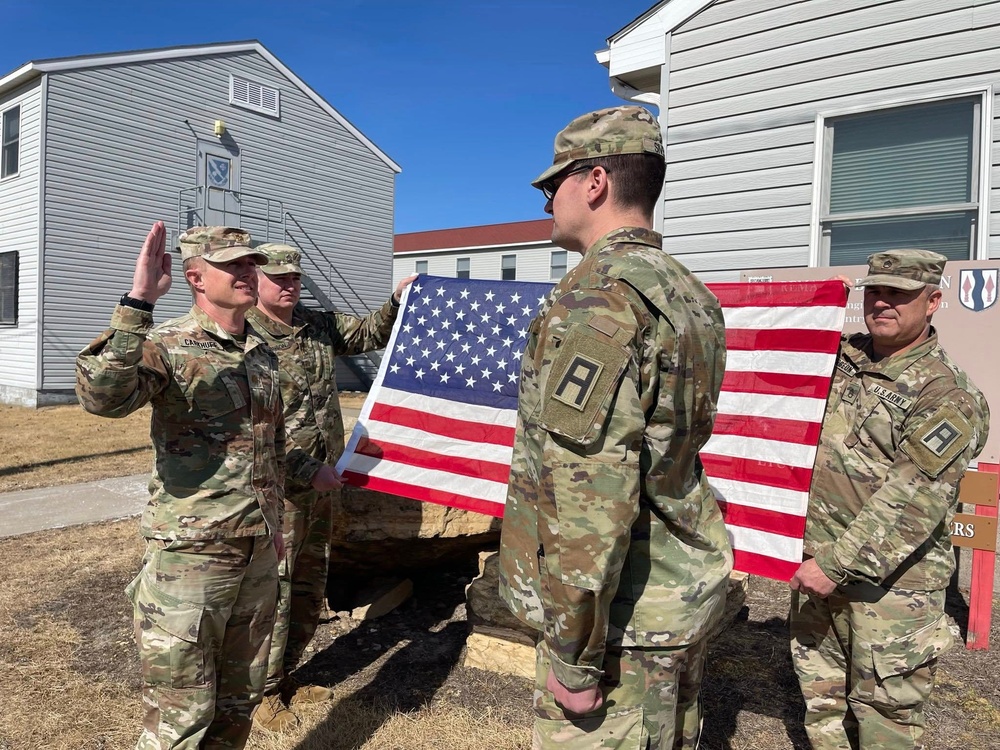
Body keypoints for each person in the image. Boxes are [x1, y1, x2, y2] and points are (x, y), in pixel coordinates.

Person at [498, 106, 733, 749]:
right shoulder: (688, 291)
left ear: (595, 181)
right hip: (674, 595)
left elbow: (588, 496)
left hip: (621, 625)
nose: (547, 202)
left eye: (555, 185)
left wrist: (574, 655)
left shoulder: (598, 297)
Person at [76, 223, 285, 750]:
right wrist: (138, 302)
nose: (247, 271)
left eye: (250, 262)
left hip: (258, 548)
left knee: (239, 702)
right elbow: (102, 398)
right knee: (181, 715)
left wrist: (275, 523)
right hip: (193, 553)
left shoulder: (261, 350)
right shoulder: (166, 345)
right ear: (195, 277)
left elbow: (267, 445)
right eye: (232, 264)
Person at [789, 249, 990, 749]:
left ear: (933, 301)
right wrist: (809, 303)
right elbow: (775, 360)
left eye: (898, 294)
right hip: (819, 565)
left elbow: (912, 500)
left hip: (891, 589)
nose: (882, 303)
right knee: (823, 700)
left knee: (885, 716)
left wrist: (835, 565)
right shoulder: (843, 358)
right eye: (874, 291)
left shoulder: (947, 395)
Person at [245, 243, 415, 731]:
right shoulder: (244, 339)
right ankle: (260, 692)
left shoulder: (315, 325)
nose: (290, 285)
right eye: (279, 278)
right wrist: (305, 472)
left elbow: (365, 333)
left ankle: (287, 673)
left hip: (321, 481)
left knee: (308, 582)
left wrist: (397, 302)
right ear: (256, 281)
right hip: (278, 486)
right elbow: (252, 430)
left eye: (295, 277)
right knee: (274, 589)